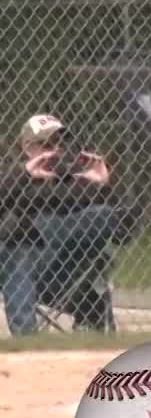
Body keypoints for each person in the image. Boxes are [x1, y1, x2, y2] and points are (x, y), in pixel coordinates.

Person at [2, 114, 118, 335]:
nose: (56, 150)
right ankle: (28, 341)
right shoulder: (9, 172)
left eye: (61, 144)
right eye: (47, 144)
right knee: (18, 243)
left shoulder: (75, 177)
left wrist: (103, 185)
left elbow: (124, 228)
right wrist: (25, 175)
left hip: (60, 273)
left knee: (102, 217)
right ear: (28, 148)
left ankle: (92, 328)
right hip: (17, 267)